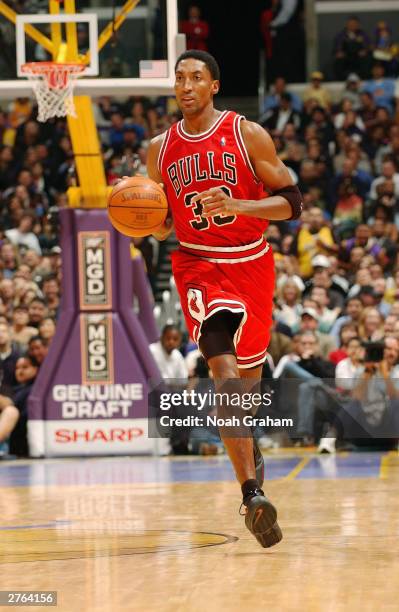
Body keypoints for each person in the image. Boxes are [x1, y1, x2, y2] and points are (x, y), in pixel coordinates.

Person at [145, 50, 303, 548]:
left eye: (196, 78)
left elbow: (293, 203)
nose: (186, 85)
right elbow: (163, 220)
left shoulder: (246, 134)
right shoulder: (160, 149)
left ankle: (248, 454)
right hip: (197, 266)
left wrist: (239, 203)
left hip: (252, 265)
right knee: (224, 373)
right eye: (180, 78)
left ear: (214, 85)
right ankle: (251, 494)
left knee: (243, 398)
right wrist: (141, 220)